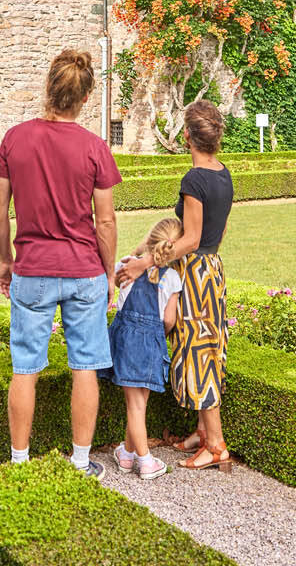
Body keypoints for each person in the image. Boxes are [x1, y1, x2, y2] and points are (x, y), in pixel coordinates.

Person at [0, 49, 120, 478]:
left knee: (25, 367)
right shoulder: (94, 147)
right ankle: (81, 462)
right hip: (83, 271)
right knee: (85, 366)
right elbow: (105, 221)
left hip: (32, 269)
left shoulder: (15, 139)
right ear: (84, 98)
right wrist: (108, 273)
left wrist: (6, 260)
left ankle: (20, 463)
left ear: (48, 88)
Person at [116, 99, 234, 470]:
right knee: (211, 347)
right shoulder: (223, 173)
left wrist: (144, 262)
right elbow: (218, 232)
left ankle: (216, 446)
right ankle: (202, 431)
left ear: (187, 136)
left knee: (198, 353)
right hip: (214, 268)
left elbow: (191, 238)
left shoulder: (194, 179)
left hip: (196, 271)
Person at [108, 216, 183, 481]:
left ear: (150, 240)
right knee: (140, 404)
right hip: (152, 341)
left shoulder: (127, 265)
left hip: (127, 341)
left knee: (135, 405)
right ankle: (140, 458)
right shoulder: (172, 277)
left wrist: (138, 251)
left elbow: (114, 281)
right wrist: (157, 336)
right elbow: (169, 320)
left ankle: (133, 456)